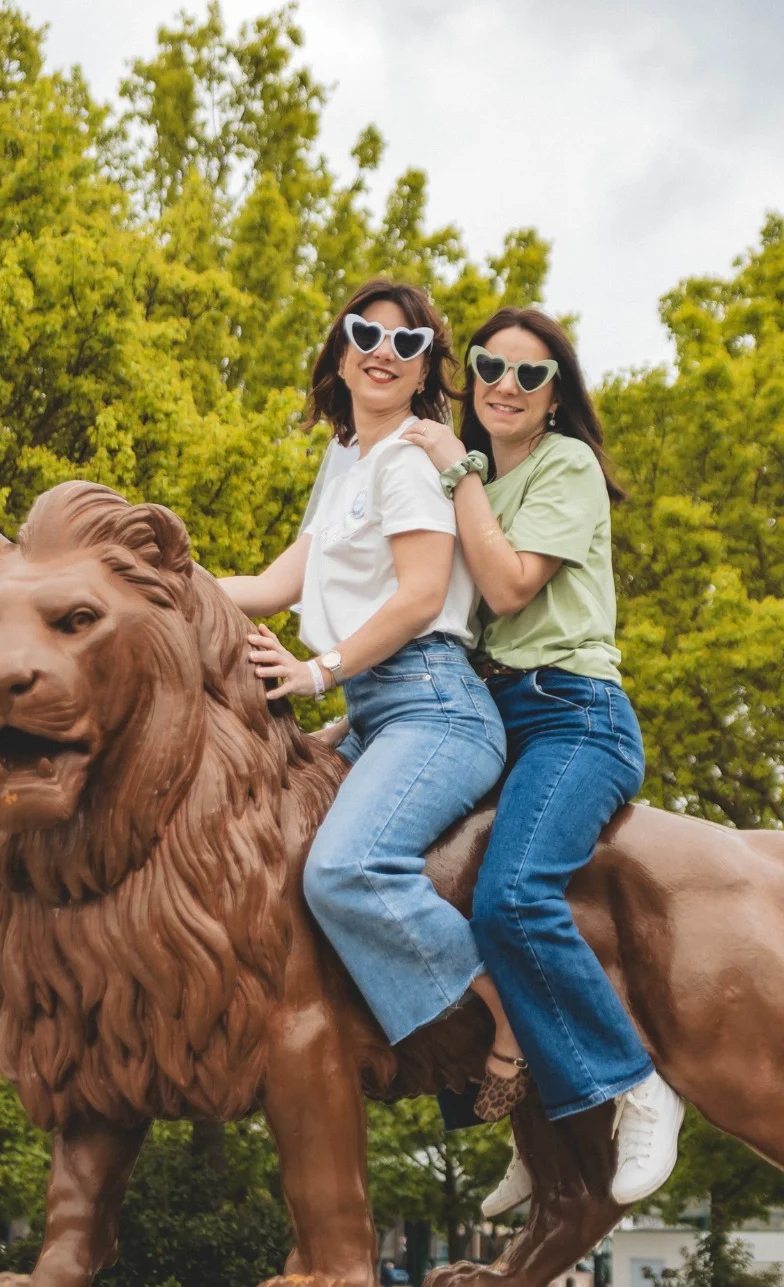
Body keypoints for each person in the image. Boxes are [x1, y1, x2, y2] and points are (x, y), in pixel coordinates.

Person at [401, 307, 686, 1208]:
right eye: (490, 365)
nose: (504, 385)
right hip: (483, 718)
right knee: (393, 875)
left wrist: (455, 473)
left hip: (573, 715)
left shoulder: (565, 467)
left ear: (555, 393)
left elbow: (508, 585)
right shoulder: (471, 475)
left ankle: (637, 1087)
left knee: (512, 894)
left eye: (529, 375)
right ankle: (538, 1122)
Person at [220, 279, 527, 1107]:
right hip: (371, 712)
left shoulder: (403, 462)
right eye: (367, 332)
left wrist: (318, 670)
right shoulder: (348, 459)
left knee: (345, 868)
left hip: (433, 706)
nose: (383, 351)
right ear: (341, 347)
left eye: (407, 342)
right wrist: (145, 583)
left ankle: (510, 1011)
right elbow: (276, 582)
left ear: (426, 370)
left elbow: (423, 596)